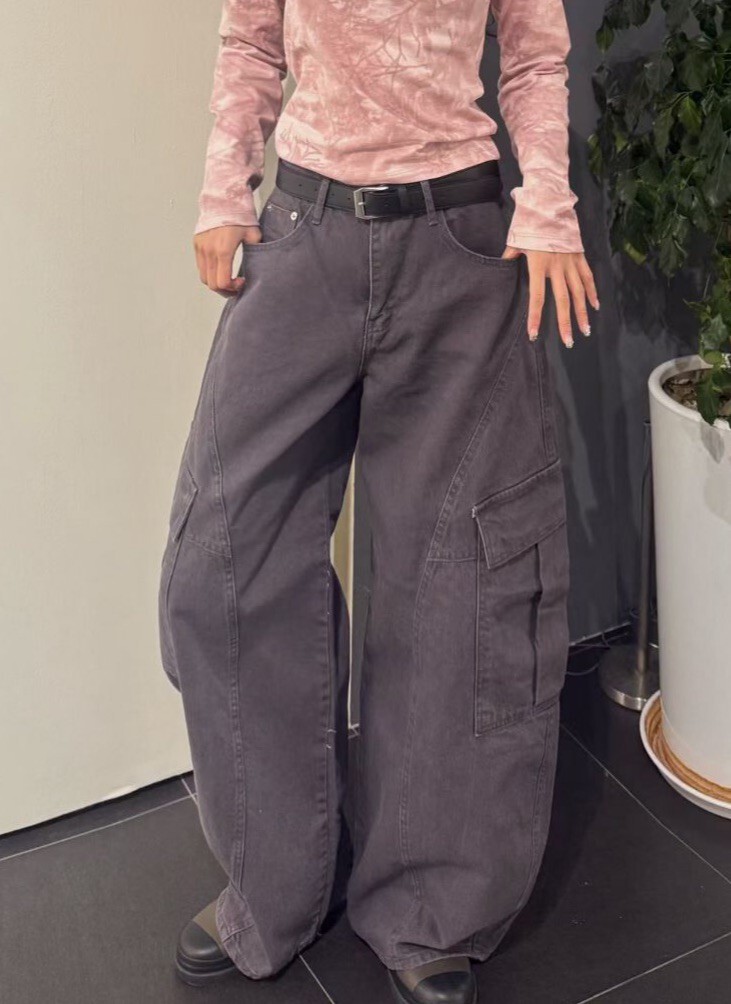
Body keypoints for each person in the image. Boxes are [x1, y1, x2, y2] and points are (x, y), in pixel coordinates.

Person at [158, 1, 599, 1002]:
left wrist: (546, 202)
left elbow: (534, 51)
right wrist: (224, 187)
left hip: (462, 245)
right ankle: (275, 881)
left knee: (459, 579)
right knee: (223, 557)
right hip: (302, 230)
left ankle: (429, 900)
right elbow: (252, 36)